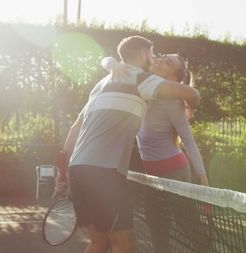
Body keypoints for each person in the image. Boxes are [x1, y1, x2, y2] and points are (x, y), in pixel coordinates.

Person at [53, 36, 201, 253]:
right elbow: (193, 93)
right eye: (152, 54)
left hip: (78, 169)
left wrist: (63, 173)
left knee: (99, 243)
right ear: (143, 54)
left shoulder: (100, 85)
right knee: (124, 245)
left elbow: (75, 129)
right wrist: (191, 105)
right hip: (104, 174)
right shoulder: (142, 79)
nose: (155, 59)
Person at [103, 54, 211, 253]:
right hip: (152, 175)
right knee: (155, 226)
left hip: (175, 172)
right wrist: (113, 64)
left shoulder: (171, 101)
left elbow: (189, 140)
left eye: (167, 62)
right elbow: (111, 58)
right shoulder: (143, 84)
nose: (160, 59)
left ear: (173, 78)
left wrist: (203, 180)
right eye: (162, 56)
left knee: (188, 227)